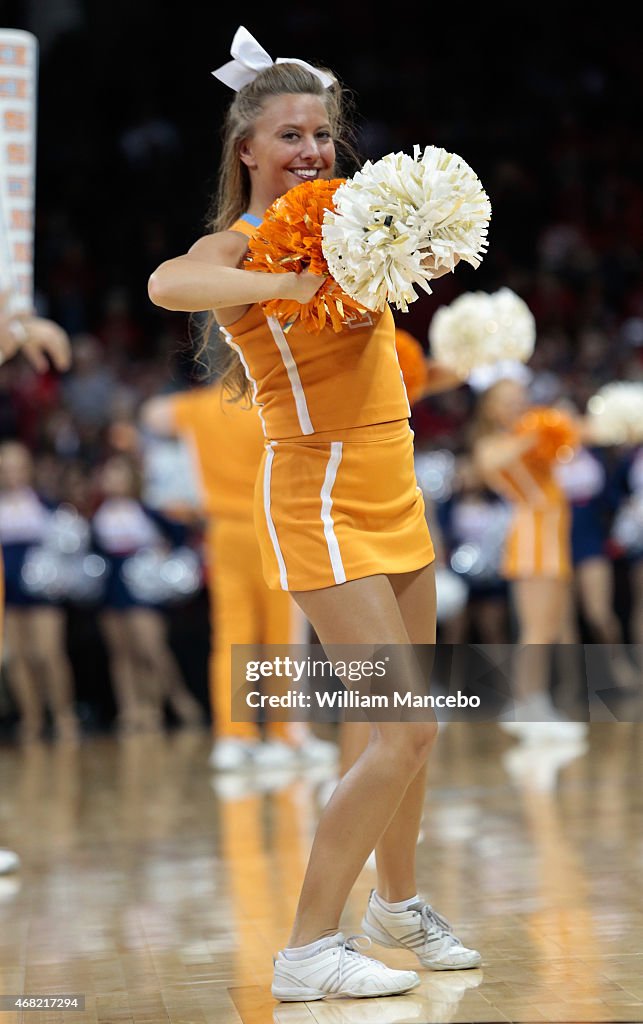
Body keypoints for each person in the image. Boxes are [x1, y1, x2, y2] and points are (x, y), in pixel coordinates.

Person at [148, 26, 480, 1002]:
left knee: (413, 728)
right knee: (403, 728)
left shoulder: (352, 220)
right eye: (288, 135)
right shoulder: (245, 244)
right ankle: (305, 950)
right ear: (245, 147)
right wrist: (278, 282)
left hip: (394, 486)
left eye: (321, 135)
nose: (308, 151)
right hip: (324, 497)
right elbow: (173, 282)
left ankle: (397, 904)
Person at [140, 380, 338, 770]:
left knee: (232, 633)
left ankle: (234, 737)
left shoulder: (197, 406)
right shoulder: (275, 398)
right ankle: (288, 735)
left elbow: (151, 414)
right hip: (274, 524)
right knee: (285, 634)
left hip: (222, 531)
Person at [470, 377, 588, 738]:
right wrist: (535, 432)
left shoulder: (536, 433)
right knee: (535, 629)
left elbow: (582, 434)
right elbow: (489, 463)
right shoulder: (494, 442)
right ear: (490, 407)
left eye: (520, 397)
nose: (518, 404)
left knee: (549, 626)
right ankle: (524, 704)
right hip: (531, 537)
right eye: (507, 400)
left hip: (554, 534)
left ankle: (535, 703)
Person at [92, 452, 205, 733]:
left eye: (119, 473)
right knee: (121, 653)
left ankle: (173, 702)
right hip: (111, 586)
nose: (113, 479)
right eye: (108, 473)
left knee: (151, 649)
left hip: (142, 587)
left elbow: (180, 537)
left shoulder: (148, 511)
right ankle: (132, 709)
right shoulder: (98, 514)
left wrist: (164, 557)